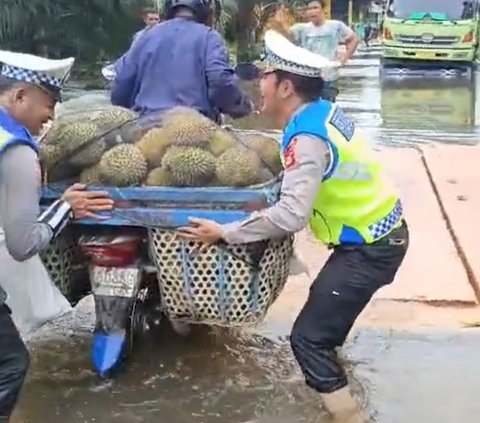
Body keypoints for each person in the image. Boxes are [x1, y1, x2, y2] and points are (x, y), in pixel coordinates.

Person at [178, 30, 409, 423]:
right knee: (325, 326)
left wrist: (226, 231)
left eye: (266, 76)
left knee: (308, 340)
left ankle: (350, 417)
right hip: (378, 234)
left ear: (286, 86)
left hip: (371, 246)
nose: (259, 85)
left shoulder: (307, 136)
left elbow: (292, 215)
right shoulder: (320, 113)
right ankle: (341, 391)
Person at [0, 50, 114, 420]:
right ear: (18, 96)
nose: (51, 117)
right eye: (47, 104)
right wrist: (65, 207)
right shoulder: (16, 152)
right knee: (11, 365)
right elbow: (22, 244)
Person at [111, 0, 253, 122]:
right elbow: (220, 81)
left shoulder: (145, 36)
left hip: (146, 128)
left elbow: (122, 81)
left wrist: (131, 116)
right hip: (194, 129)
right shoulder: (209, 37)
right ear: (205, 11)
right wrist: (240, 106)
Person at [273, 0, 360, 102]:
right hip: (309, 77)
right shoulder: (302, 28)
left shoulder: (335, 26)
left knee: (326, 105)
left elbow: (354, 39)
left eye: (315, 8)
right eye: (309, 9)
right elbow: (287, 36)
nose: (311, 11)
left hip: (329, 76)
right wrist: (282, 22)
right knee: (309, 106)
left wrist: (344, 58)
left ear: (323, 10)